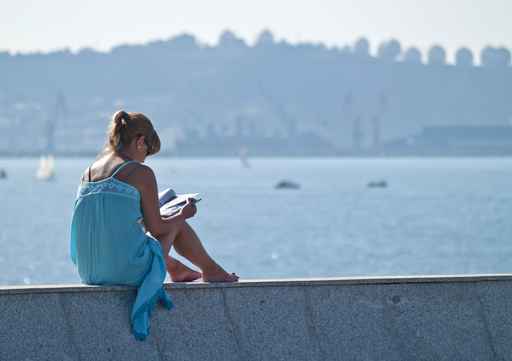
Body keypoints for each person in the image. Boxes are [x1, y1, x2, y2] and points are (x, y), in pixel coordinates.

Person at [69, 110, 238, 340]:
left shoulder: (88, 173)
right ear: (140, 141)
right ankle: (211, 270)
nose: (145, 159)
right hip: (121, 270)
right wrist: (183, 213)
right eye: (147, 153)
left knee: (152, 226)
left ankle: (176, 267)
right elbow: (158, 228)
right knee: (176, 223)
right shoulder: (140, 172)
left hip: (88, 271)